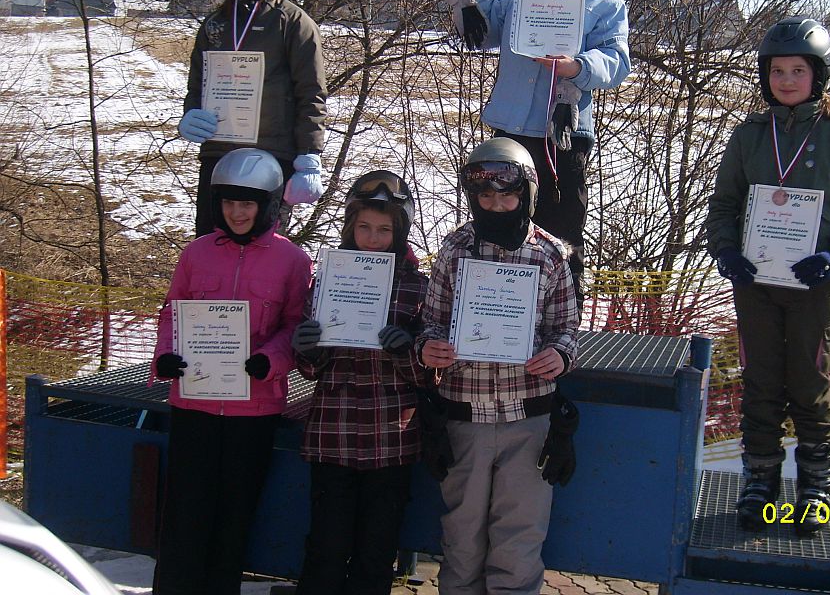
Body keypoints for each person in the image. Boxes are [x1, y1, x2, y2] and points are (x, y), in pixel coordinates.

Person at [706, 17, 830, 536]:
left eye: (797, 71)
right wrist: (726, 251)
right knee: (760, 383)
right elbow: (725, 204)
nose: (786, 80)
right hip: (757, 282)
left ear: (817, 76)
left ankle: (815, 486)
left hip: (812, 285)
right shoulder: (749, 136)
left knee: (808, 383)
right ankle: (760, 480)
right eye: (777, 71)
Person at [446, 0, 631, 307]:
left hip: (561, 137)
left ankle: (561, 325)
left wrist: (576, 66)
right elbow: (483, 33)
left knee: (561, 236)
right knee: (498, 228)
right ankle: (492, 315)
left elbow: (618, 61)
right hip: (510, 133)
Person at [416, 136, 580, 594]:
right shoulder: (456, 248)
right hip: (464, 416)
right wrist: (429, 347)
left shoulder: (549, 253)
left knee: (518, 538)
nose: (496, 205)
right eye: (485, 197)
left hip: (528, 418)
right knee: (462, 536)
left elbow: (567, 326)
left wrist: (560, 354)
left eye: (507, 196)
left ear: (526, 194)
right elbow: (431, 320)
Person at [150, 147, 313, 594]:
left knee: (235, 515)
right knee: (184, 513)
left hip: (253, 409)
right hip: (195, 404)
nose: (237, 213)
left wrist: (271, 359)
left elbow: (296, 324)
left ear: (268, 205)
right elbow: (172, 313)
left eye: (247, 204)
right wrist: (166, 356)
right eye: (228, 202)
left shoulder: (292, 261)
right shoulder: (197, 253)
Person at [290, 170, 429, 595]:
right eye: (364, 227)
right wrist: (308, 347)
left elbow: (430, 374)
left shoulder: (417, 288)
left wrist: (406, 350)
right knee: (326, 548)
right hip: (334, 432)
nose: (372, 238)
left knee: (375, 551)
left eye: (384, 230)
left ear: (399, 232)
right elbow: (310, 369)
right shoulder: (329, 279)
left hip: (390, 436)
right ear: (351, 226)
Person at [176, 0, 329, 237]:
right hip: (219, 152)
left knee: (262, 246)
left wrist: (309, 154)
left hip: (272, 154)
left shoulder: (293, 22)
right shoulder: (215, 24)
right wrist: (191, 113)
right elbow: (197, 83)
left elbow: (311, 93)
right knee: (211, 241)